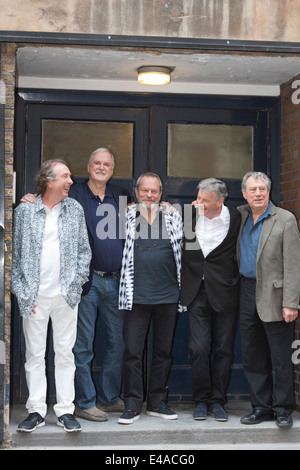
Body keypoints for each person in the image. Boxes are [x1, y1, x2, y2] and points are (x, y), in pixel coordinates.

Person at [21, 148, 132, 422]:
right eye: (97, 162)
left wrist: (162, 205)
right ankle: (84, 402)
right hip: (87, 284)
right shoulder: (75, 196)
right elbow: (22, 245)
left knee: (116, 342)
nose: (101, 167)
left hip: (112, 281)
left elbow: (148, 207)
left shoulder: (120, 195)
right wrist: (30, 199)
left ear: (112, 169)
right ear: (89, 165)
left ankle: (107, 398)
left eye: (107, 164)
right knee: (80, 346)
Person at [12, 160, 91, 433]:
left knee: (65, 354)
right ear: (49, 181)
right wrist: (23, 292)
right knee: (34, 355)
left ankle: (65, 411)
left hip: (66, 297)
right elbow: (16, 255)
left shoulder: (75, 210)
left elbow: (84, 251)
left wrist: (75, 285)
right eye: (65, 176)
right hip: (34, 297)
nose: (71, 180)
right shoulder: (25, 210)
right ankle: (35, 411)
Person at [118, 173, 183, 424]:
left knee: (163, 352)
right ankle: (132, 404)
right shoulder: (125, 216)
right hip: (135, 296)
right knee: (133, 352)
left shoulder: (174, 216)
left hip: (167, 296)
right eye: (145, 191)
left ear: (161, 193)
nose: (149, 195)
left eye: (154, 191)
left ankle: (157, 402)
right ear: (136, 192)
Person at [237, 172, 300, 428]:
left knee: (281, 355)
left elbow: (293, 264)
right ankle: (261, 407)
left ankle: (283, 409)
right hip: (246, 291)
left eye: (262, 188)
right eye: (253, 189)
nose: (258, 193)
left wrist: (291, 302)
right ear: (244, 193)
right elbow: (209, 208)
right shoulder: (239, 215)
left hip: (276, 295)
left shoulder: (284, 219)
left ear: (269, 191)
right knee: (252, 354)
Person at [180, 178, 241, 422]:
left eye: (205, 200)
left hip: (225, 291)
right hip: (197, 291)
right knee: (199, 348)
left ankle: (218, 401)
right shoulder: (188, 215)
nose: (199, 203)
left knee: (224, 350)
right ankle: (201, 400)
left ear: (221, 201)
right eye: (198, 198)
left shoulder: (237, 217)